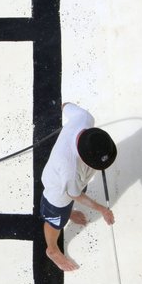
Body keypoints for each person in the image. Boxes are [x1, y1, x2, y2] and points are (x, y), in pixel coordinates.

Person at [40, 103, 117, 271]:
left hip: (77, 183)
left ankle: (68, 213)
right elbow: (75, 195)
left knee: (76, 194)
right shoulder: (68, 167)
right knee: (55, 222)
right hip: (58, 194)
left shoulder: (84, 118)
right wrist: (102, 209)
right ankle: (52, 249)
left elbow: (65, 106)